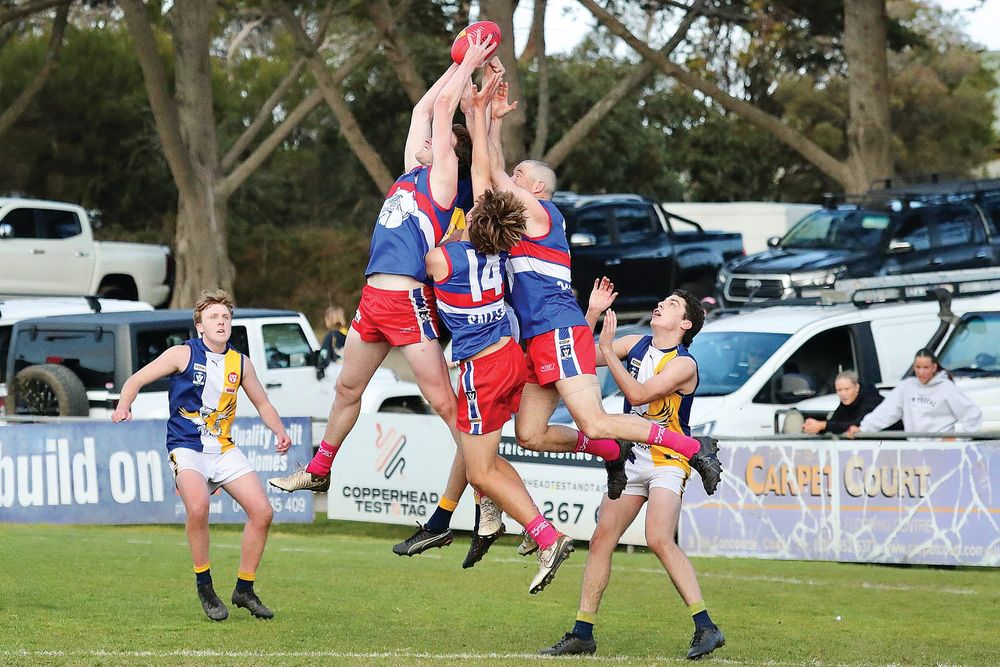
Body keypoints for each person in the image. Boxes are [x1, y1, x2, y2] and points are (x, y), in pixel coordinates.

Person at [268, 34, 499, 559]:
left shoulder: (443, 178)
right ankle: (320, 469)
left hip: (410, 301)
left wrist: (473, 66)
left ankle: (486, 498)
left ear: (449, 153)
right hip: (372, 300)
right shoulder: (410, 173)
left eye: (435, 140)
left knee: (445, 406)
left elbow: (441, 109)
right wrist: (458, 64)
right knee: (347, 390)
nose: (420, 139)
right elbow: (424, 106)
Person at [484, 82, 722, 497]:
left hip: (557, 330)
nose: (512, 178)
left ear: (537, 190)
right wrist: (491, 121)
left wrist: (485, 116)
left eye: (521, 175)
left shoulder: (542, 211)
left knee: (593, 418)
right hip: (539, 336)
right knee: (529, 435)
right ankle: (611, 452)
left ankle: (691, 446)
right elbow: (494, 174)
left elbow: (493, 172)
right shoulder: (520, 219)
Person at [425, 70, 573, 593]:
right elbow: (490, 175)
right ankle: (519, 524)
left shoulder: (443, 256)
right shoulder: (499, 241)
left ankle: (544, 534)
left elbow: (482, 177)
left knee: (479, 466)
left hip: (482, 363)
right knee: (489, 458)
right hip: (511, 352)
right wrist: (484, 115)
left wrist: (469, 111)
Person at [541, 292, 725, 660]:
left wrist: (610, 351)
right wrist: (591, 313)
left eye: (673, 304)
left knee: (658, 538)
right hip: (632, 456)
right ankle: (582, 632)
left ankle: (706, 627)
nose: (661, 304)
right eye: (664, 300)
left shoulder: (683, 364)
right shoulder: (634, 343)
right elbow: (578, 355)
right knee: (601, 539)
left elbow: (638, 394)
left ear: (685, 324)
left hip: (668, 459)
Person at [111, 289, 292, 622]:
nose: (221, 322)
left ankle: (244, 588)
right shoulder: (182, 354)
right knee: (198, 506)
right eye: (213, 317)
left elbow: (263, 404)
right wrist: (124, 405)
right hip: (186, 446)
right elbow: (135, 379)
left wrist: (279, 430)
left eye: (225, 317)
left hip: (222, 448)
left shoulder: (241, 362)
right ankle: (205, 584)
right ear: (200, 327)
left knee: (262, 512)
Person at [848, 348, 982, 437]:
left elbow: (972, 414)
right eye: (918, 367)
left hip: (941, 450)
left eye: (926, 367)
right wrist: (863, 429)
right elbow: (885, 412)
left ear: (934, 367)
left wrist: (958, 439)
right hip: (914, 449)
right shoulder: (906, 387)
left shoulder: (947, 388)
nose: (921, 372)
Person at [802, 370, 883, 435]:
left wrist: (823, 425)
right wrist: (815, 427)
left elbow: (860, 424)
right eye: (839, 390)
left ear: (857, 387)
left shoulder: (872, 400)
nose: (843, 394)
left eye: (847, 389)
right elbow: (834, 422)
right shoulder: (846, 402)